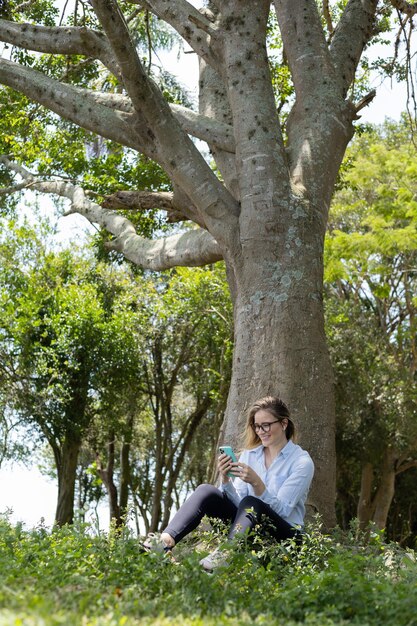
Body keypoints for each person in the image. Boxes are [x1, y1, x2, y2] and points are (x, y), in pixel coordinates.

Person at [143, 395, 314, 571]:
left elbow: (283, 511)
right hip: (249, 529)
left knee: (252, 503)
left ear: (284, 424)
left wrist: (257, 484)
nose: (261, 431)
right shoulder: (251, 455)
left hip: (285, 536)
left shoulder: (301, 462)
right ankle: (164, 542)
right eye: (257, 426)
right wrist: (225, 479)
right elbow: (238, 504)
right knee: (206, 491)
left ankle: (224, 555)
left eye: (266, 425)